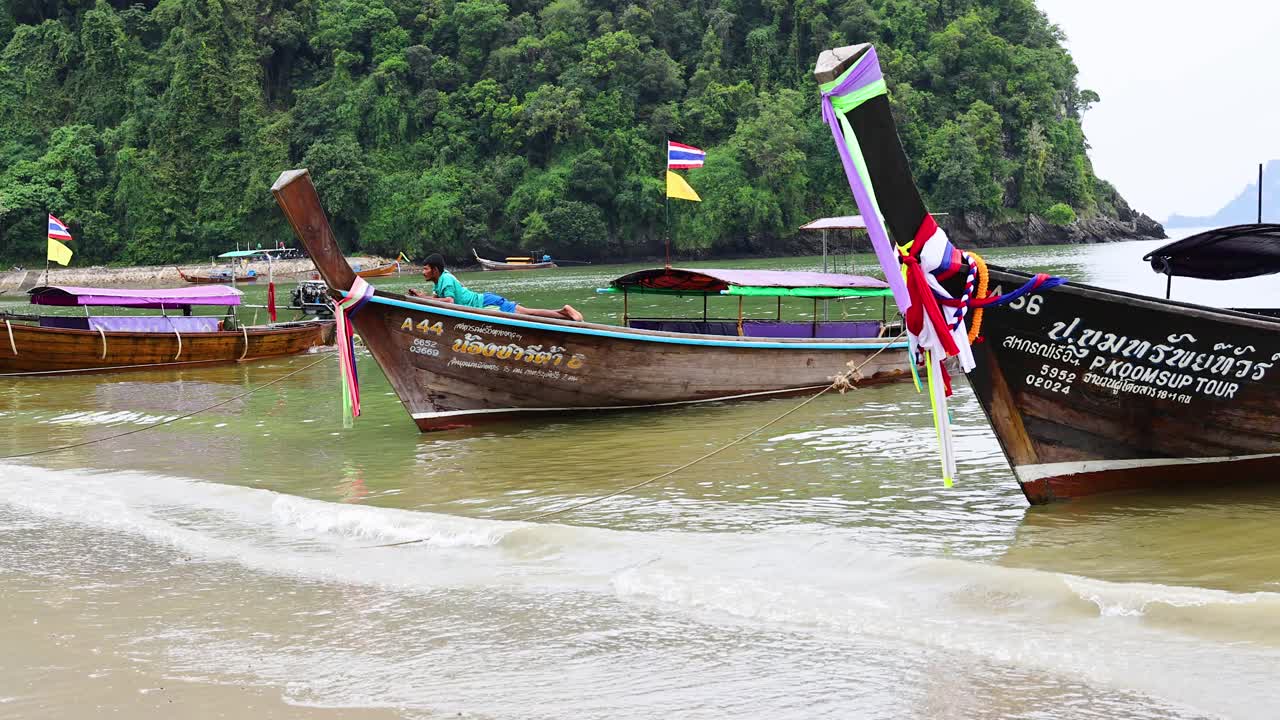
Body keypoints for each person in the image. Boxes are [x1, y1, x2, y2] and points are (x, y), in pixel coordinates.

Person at [408, 253, 584, 322]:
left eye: (425, 268)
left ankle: (565, 310)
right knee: (527, 312)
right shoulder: (439, 282)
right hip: (484, 303)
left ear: (435, 269)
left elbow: (449, 301)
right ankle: (564, 313)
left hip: (487, 304)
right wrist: (421, 296)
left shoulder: (445, 279)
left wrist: (422, 298)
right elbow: (438, 300)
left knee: (527, 313)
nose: (423, 272)